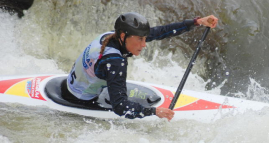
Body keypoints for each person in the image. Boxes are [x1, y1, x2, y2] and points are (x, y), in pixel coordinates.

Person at [65, 13, 218, 121]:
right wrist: (154, 111)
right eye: (140, 39)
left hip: (75, 83)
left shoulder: (110, 36)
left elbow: (160, 32)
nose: (144, 45)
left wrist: (196, 22)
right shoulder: (115, 62)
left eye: (145, 39)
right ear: (124, 37)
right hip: (82, 98)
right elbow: (120, 107)